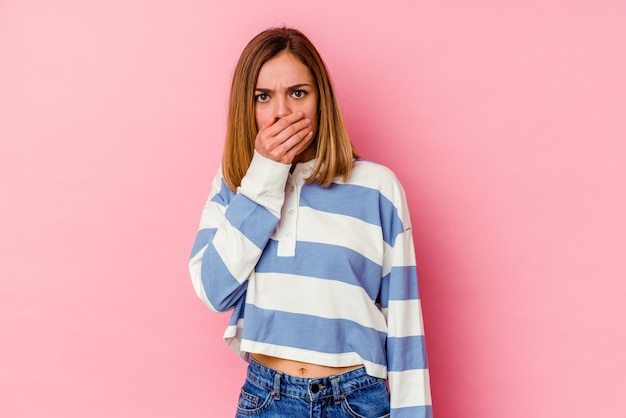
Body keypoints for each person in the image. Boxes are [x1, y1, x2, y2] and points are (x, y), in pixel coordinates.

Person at [189, 27, 432, 418]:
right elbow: (213, 291)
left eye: (297, 93)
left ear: (321, 100)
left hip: (357, 400)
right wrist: (265, 175)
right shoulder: (236, 184)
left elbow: (405, 324)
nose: (281, 112)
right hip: (267, 397)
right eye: (263, 97)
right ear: (245, 107)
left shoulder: (377, 188)